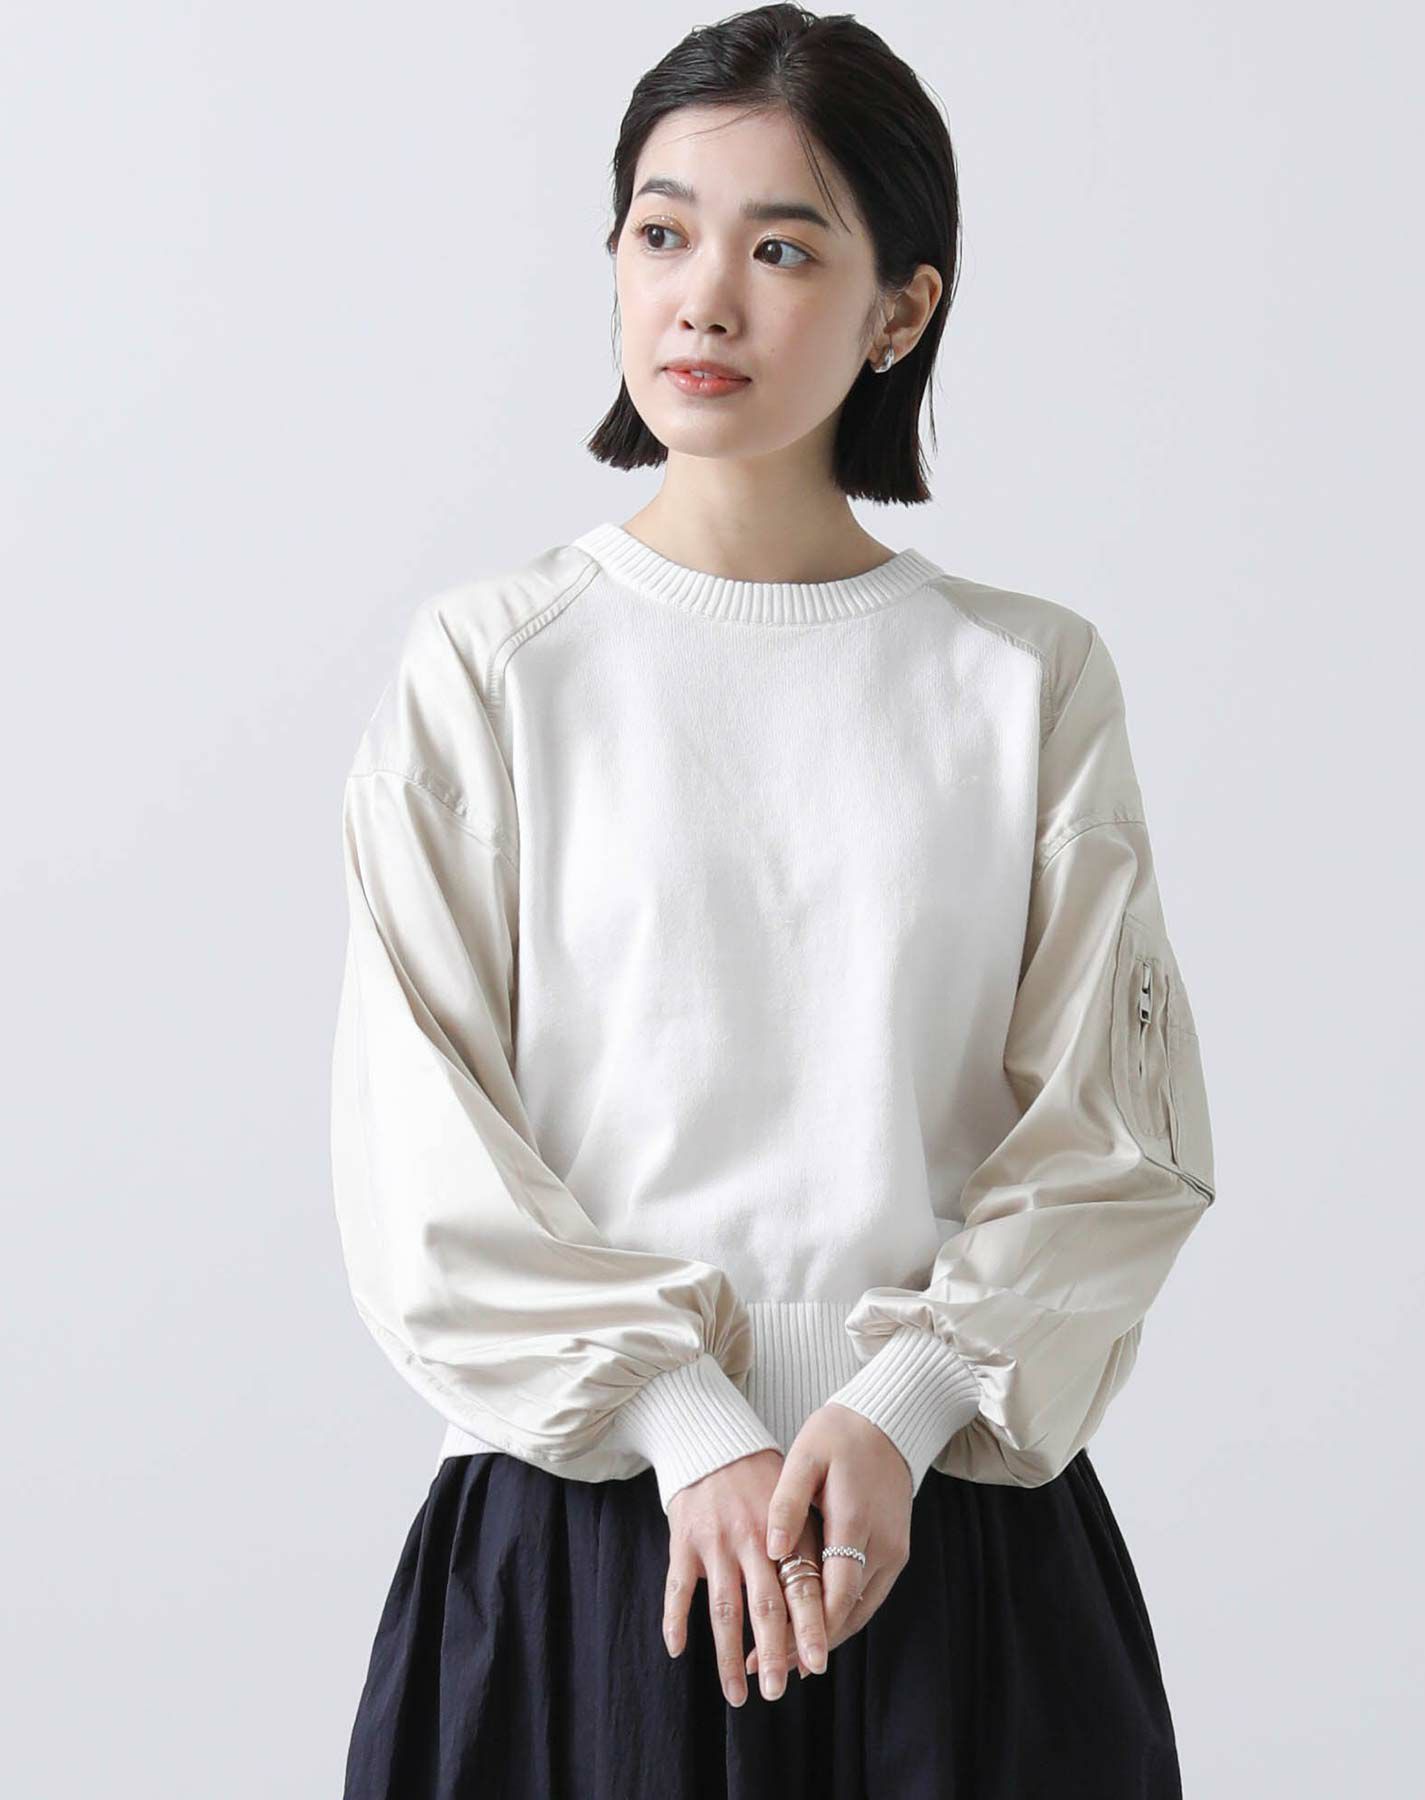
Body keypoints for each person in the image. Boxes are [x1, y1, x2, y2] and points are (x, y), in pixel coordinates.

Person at [330, 6, 1217, 1795]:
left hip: (946, 1535)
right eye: (662, 233)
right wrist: (685, 1418)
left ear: (903, 309)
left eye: (783, 248)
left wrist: (899, 1406)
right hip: (592, 1545)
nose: (705, 300)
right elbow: (422, 1144)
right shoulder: (494, 667)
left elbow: (1117, 1142)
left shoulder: (1024, 680)